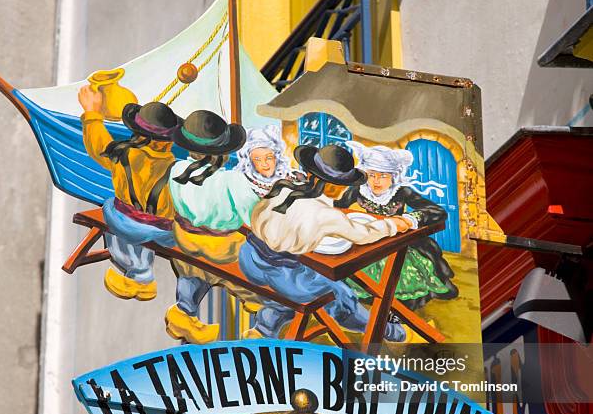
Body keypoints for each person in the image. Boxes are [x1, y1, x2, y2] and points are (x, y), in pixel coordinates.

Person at [238, 144, 408, 341]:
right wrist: (392, 225)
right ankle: (392, 332)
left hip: (249, 258)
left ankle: (263, 328)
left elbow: (258, 217)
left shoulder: (283, 189)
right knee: (341, 295)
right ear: (334, 187)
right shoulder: (326, 214)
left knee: (293, 286)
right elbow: (363, 234)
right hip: (282, 273)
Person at [166, 120, 301, 343]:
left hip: (185, 242)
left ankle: (184, 310)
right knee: (283, 296)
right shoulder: (231, 180)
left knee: (194, 270)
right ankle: (262, 331)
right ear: (223, 154)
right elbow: (255, 221)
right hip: (224, 252)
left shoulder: (176, 169)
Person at [78, 86, 182, 300]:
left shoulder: (124, 154)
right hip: (165, 233)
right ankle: (141, 276)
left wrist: (92, 114)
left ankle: (140, 276)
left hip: (128, 224)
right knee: (146, 223)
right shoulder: (177, 168)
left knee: (113, 208)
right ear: (170, 140)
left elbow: (98, 145)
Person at [336, 142, 458, 311]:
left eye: (383, 176)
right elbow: (338, 207)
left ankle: (397, 307)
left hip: (399, 243)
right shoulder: (358, 190)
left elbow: (436, 211)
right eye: (372, 175)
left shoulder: (401, 192)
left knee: (400, 275)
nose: (377, 181)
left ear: (393, 176)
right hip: (371, 240)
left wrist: (409, 219)